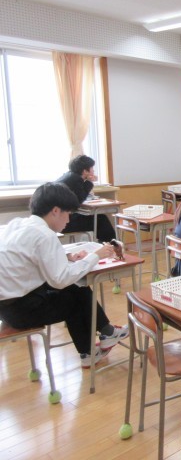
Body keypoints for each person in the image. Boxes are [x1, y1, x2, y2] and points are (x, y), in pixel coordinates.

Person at [0, 183, 129, 368]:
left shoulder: (18, 224)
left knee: (75, 288)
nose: (68, 219)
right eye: (68, 213)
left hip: (7, 306)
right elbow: (60, 280)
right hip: (19, 310)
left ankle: (101, 338)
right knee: (74, 297)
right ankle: (94, 346)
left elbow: (29, 255)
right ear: (55, 211)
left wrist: (67, 256)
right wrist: (95, 256)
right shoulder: (44, 235)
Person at [57, 154, 116, 242]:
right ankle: (112, 246)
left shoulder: (68, 176)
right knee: (101, 220)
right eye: (92, 168)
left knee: (99, 218)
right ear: (85, 171)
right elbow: (79, 201)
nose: (93, 170)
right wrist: (89, 182)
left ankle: (106, 246)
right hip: (64, 222)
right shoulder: (76, 180)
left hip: (56, 218)